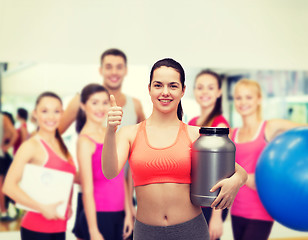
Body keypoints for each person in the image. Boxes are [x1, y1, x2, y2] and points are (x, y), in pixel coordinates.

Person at [102, 58, 248, 240]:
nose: (165, 92)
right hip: (147, 233)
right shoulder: (129, 133)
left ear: (183, 90)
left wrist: (236, 182)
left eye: (173, 86)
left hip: (191, 231)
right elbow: (109, 172)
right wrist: (110, 131)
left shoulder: (196, 135)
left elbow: (238, 171)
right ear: (149, 89)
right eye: (158, 85)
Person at [59, 48, 145, 240]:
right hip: (95, 197)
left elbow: (142, 145)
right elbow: (53, 137)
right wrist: (72, 170)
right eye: (108, 67)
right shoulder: (81, 100)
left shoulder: (135, 105)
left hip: (122, 193)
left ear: (126, 70)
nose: (114, 72)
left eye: (118, 67)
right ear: (100, 70)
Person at [230, 79, 307, 240]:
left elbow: (303, 129)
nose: (243, 102)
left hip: (260, 210)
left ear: (258, 100)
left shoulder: (270, 126)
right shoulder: (233, 133)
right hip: (236, 209)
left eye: (249, 97)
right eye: (239, 97)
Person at [2, 92, 76, 240]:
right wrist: (42, 208)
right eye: (44, 111)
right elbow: (8, 186)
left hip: (59, 226)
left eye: (56, 111)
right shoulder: (31, 146)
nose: (51, 117)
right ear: (35, 114)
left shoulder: (61, 145)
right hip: (37, 229)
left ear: (62, 114)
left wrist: (68, 206)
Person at [76, 83, 133, 240]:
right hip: (99, 216)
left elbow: (119, 176)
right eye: (94, 102)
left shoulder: (111, 133)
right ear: (83, 105)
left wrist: (128, 213)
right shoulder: (85, 141)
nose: (100, 108)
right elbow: (86, 189)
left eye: (104, 102)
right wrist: (94, 231)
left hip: (120, 214)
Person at [188, 69, 229, 240]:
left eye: (210, 88)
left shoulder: (220, 125)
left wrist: (217, 217)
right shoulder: (192, 123)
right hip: (195, 202)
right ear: (194, 91)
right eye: (200, 87)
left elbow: (224, 173)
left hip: (212, 206)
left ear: (219, 92)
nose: (204, 92)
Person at [0, 112, 17, 221]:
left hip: (1, 156)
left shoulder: (3, 117)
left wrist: (6, 146)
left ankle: (4, 211)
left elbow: (14, 134)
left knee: (2, 185)